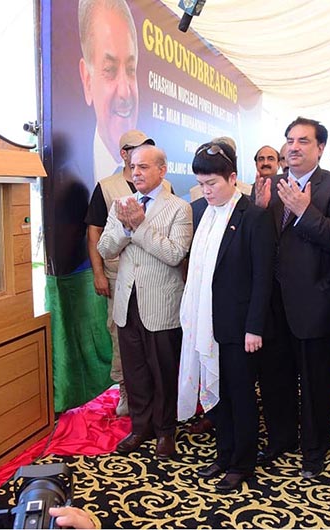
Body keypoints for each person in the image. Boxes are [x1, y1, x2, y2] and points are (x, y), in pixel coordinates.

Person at [254, 117, 330, 478]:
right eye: (289, 140)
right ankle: (281, 438)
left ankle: (315, 450)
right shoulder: (272, 185)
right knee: (276, 376)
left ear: (320, 148)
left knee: (317, 382)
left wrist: (304, 211)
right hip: (274, 302)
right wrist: (258, 210)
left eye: (303, 141)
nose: (293, 147)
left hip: (316, 302)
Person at [177, 141, 275, 492]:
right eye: (202, 184)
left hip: (239, 327)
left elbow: (264, 277)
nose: (207, 191)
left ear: (233, 178)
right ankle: (224, 453)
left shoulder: (254, 217)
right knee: (219, 395)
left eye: (213, 184)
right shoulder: (204, 212)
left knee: (240, 393)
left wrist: (254, 327)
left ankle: (243, 463)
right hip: (208, 322)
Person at [98, 145, 193, 460]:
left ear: (161, 170)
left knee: (163, 370)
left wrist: (138, 227)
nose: (135, 172)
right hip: (127, 302)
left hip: (162, 303)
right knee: (135, 369)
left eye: (143, 167)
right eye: (132, 167)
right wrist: (125, 226)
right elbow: (106, 248)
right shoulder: (121, 205)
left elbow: (174, 254)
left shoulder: (179, 207)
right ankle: (141, 427)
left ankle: (166, 431)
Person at [84, 129, 155, 416]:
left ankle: (155, 390)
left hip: (154, 275)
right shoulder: (107, 187)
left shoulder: (162, 187)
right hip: (117, 275)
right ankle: (126, 389)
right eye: (134, 150)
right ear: (124, 154)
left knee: (154, 331)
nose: (139, 157)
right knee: (120, 334)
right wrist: (98, 273)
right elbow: (94, 233)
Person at [78, 0, 140, 183]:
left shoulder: (157, 188)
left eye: (130, 70)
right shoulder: (69, 174)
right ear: (87, 81)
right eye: (110, 70)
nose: (124, 92)